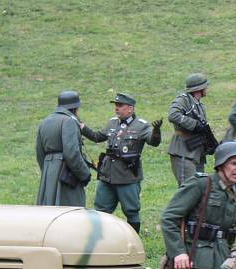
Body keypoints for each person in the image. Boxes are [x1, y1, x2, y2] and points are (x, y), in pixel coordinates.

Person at [80, 92, 162, 234]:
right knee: (101, 209)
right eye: (115, 105)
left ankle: (134, 240)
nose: (116, 108)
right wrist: (82, 127)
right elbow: (97, 137)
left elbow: (153, 142)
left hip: (127, 176)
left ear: (130, 108)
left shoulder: (141, 126)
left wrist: (156, 131)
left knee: (131, 210)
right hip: (108, 175)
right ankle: (100, 239)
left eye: (120, 105)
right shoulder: (112, 122)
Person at [36, 90, 91, 207]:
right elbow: (72, 154)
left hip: (48, 172)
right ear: (75, 108)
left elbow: (40, 153)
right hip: (66, 175)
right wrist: (84, 174)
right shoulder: (69, 121)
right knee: (70, 212)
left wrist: (48, 170)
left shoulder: (45, 122)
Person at [167, 73, 212, 185]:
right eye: (205, 86)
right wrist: (194, 124)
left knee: (199, 190)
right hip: (183, 152)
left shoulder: (199, 105)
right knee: (188, 189)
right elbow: (173, 115)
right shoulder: (183, 100)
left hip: (196, 153)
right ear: (199, 88)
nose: (207, 89)